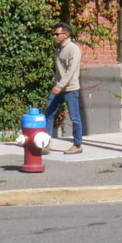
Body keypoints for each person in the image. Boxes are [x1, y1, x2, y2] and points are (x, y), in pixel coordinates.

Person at [45, 22, 84, 153]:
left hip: (70, 89)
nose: (54, 36)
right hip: (59, 88)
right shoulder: (57, 49)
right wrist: (57, 85)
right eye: (54, 34)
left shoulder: (74, 49)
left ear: (66, 35)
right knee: (48, 113)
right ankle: (45, 143)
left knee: (74, 117)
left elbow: (71, 71)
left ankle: (77, 145)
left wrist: (60, 85)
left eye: (57, 34)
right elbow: (58, 71)